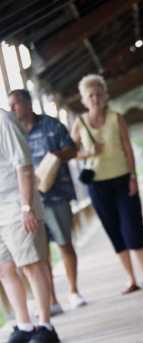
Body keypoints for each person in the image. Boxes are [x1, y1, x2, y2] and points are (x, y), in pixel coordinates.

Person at [71, 74, 143, 294]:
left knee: (133, 225)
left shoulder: (116, 118)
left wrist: (133, 177)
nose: (94, 98)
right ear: (84, 99)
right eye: (90, 95)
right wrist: (87, 153)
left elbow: (128, 149)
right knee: (113, 229)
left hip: (123, 179)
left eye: (98, 94)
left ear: (105, 96)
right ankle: (131, 278)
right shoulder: (80, 123)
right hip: (97, 185)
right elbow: (71, 152)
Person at [9, 89, 87, 313]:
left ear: (27, 103)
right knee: (40, 253)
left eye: (15, 104)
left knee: (64, 243)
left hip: (56, 196)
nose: (12, 109)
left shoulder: (52, 125)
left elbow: (73, 149)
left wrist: (56, 157)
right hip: (29, 204)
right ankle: (52, 300)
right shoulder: (13, 132)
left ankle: (73, 291)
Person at [0, 109, 60, 342]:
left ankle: (45, 327)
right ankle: (25, 326)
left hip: (16, 203)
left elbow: (23, 166)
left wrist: (26, 207)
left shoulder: (3, 120)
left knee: (31, 265)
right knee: (4, 270)